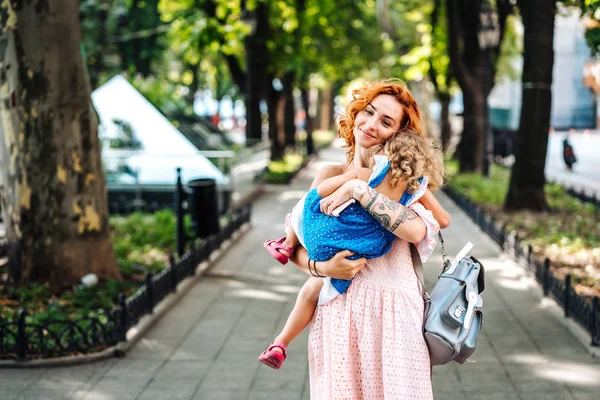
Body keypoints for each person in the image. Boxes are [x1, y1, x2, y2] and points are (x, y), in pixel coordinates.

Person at [287, 79, 443, 399]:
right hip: (338, 314)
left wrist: (360, 189)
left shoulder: (404, 179)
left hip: (393, 316)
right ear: (356, 113)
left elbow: (414, 230)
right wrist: (323, 268)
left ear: (400, 133)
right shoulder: (329, 175)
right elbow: (294, 249)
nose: (371, 125)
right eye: (368, 112)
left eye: (386, 121)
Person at [259, 128, 450, 370]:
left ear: (385, 153)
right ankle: (280, 342)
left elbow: (323, 192)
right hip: (365, 247)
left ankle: (286, 246)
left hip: (330, 237)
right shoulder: (416, 189)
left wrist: (340, 191)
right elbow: (443, 220)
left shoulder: (368, 173)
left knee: (305, 207)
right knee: (314, 289)